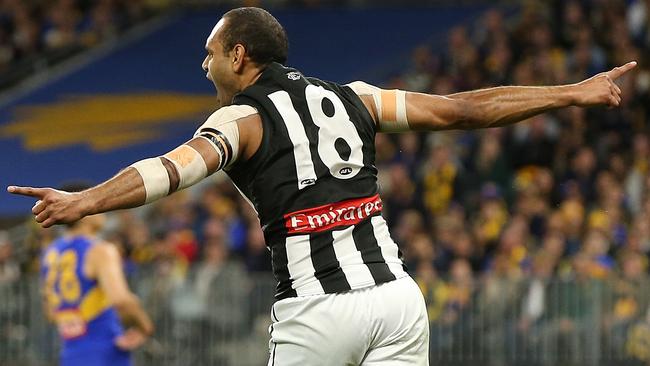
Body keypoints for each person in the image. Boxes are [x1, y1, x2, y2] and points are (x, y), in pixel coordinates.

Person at [8, 7, 635, 365]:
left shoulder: (240, 117)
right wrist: (569, 92)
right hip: (397, 299)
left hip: (317, 309)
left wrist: (87, 198)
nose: (204, 66)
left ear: (240, 57)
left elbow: (172, 170)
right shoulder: (354, 96)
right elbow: (459, 109)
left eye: (211, 53)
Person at [39, 183, 154, 366]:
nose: (103, 208)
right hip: (106, 351)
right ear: (81, 207)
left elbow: (50, 311)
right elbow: (121, 300)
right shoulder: (100, 250)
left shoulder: (50, 253)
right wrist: (145, 327)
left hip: (70, 354)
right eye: (95, 201)